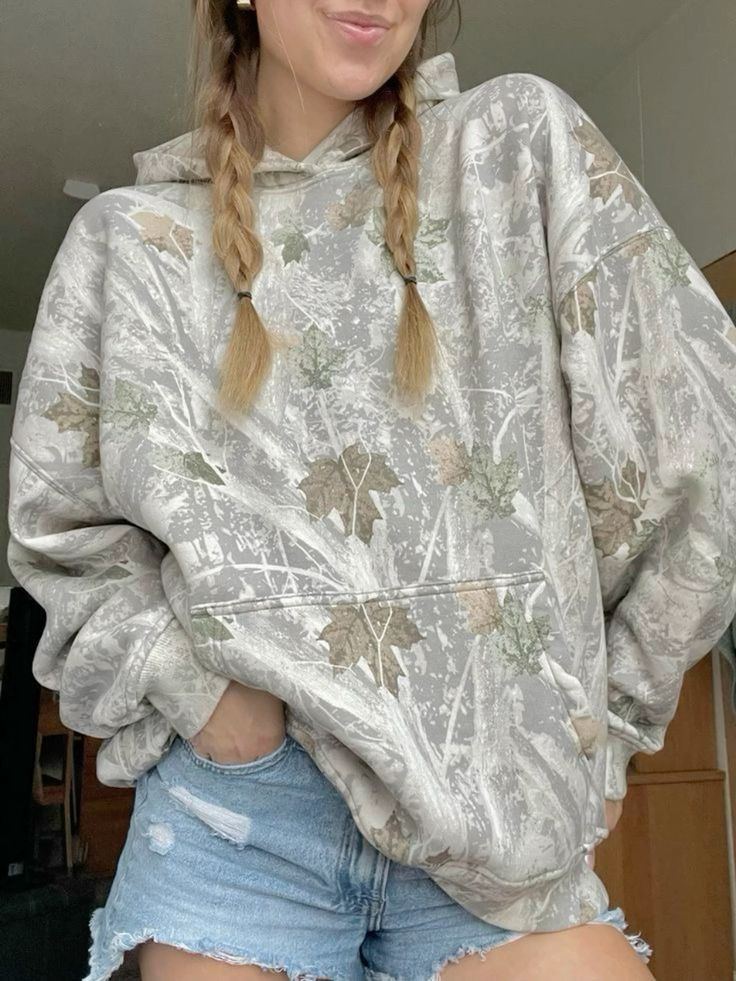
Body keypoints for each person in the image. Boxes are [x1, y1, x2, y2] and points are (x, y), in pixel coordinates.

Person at [8, 0, 736, 977]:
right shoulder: (128, 241)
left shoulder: (517, 147)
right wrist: (198, 689)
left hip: (494, 829)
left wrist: (612, 726)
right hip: (241, 820)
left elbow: (703, 445)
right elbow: (59, 529)